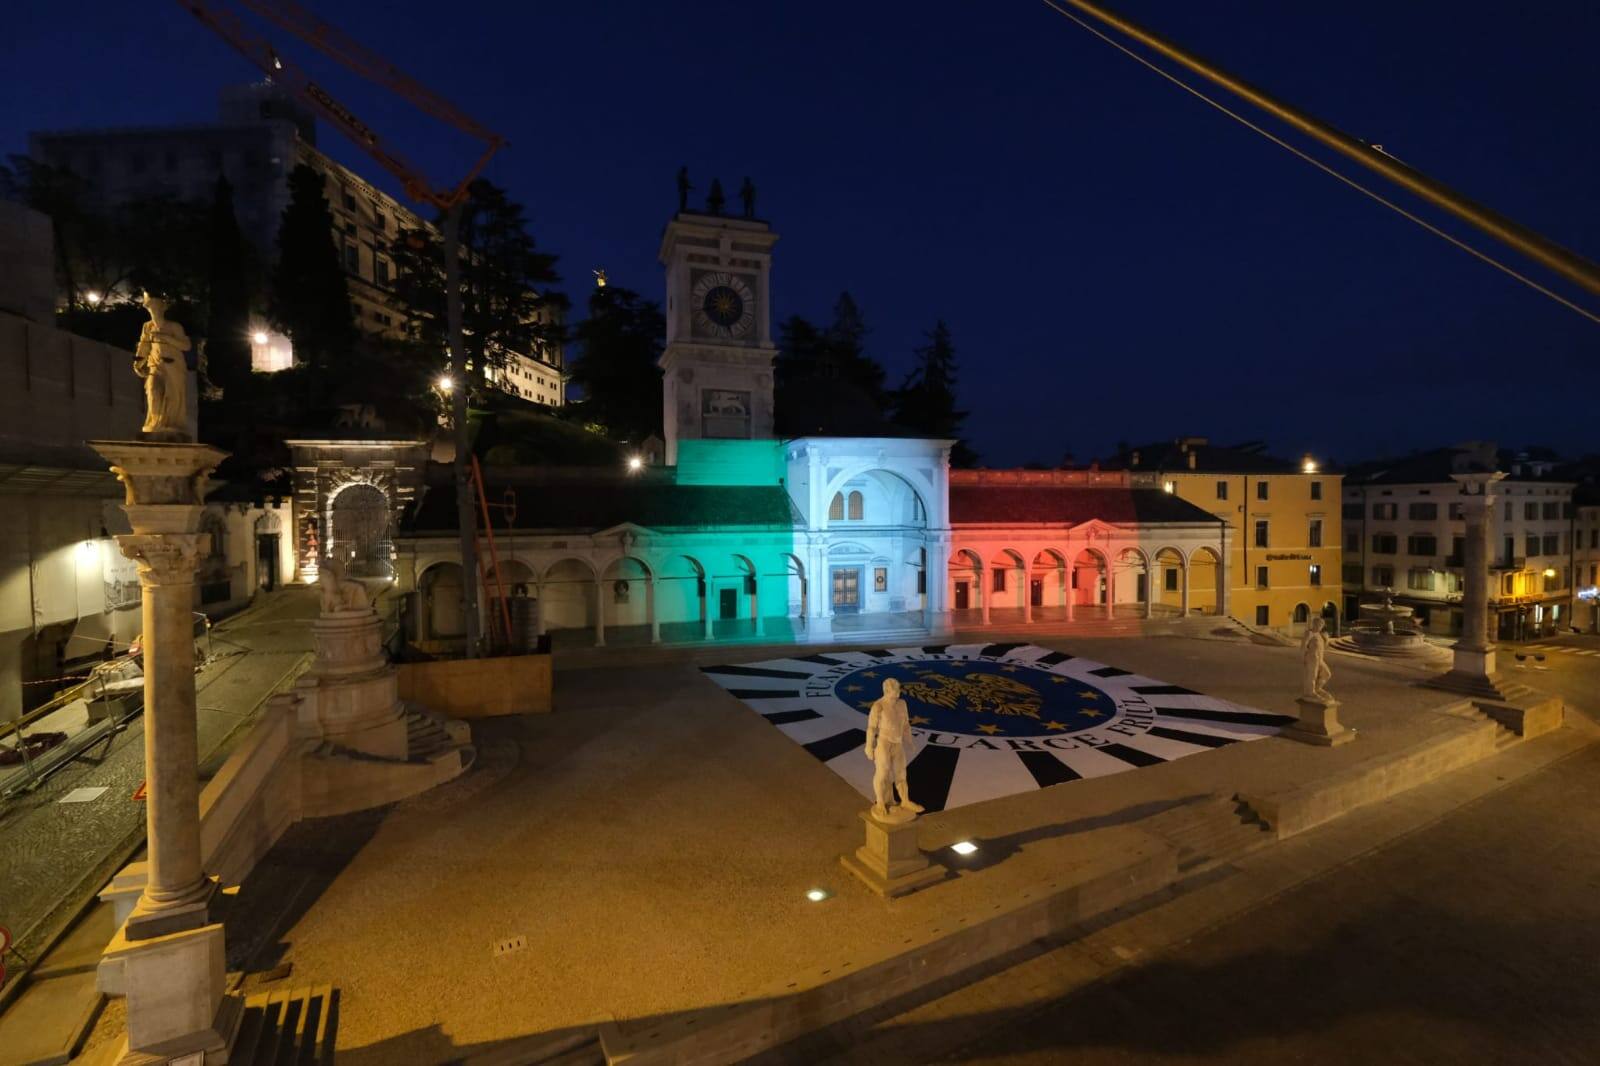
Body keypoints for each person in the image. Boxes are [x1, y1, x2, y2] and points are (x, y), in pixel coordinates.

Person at [865, 677, 923, 817]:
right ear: (887, 690)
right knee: (883, 773)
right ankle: (880, 801)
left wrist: (910, 741)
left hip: (897, 744)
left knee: (901, 774)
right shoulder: (878, 706)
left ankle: (905, 800)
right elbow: (872, 728)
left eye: (898, 689)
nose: (898, 692)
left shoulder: (902, 704)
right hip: (884, 743)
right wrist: (869, 746)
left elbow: (906, 725)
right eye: (895, 690)